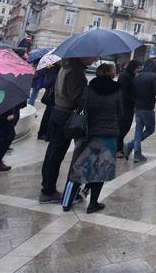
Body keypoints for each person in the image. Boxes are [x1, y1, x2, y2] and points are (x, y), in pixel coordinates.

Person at [61, 63, 120, 213]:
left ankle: (67, 203)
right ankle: (93, 203)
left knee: (79, 167)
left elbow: (81, 106)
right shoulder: (118, 91)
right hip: (108, 134)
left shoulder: (88, 89)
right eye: (113, 70)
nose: (116, 72)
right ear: (109, 73)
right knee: (101, 169)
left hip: (87, 134)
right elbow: (121, 112)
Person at [40, 57, 95, 204]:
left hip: (58, 112)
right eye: (93, 56)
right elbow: (77, 97)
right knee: (56, 153)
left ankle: (47, 187)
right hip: (66, 115)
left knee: (53, 151)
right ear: (84, 56)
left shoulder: (66, 67)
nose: (95, 58)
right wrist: (88, 92)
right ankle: (48, 191)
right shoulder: (75, 72)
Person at [124, 60, 156, 162]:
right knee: (150, 129)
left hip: (137, 106)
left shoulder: (137, 76)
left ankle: (137, 154)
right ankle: (130, 145)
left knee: (138, 129)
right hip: (147, 107)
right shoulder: (153, 77)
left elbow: (132, 91)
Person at [116, 59, 141, 156]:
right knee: (122, 127)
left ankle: (119, 146)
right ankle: (117, 150)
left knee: (125, 127)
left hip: (128, 106)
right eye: (138, 67)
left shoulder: (130, 75)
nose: (139, 70)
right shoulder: (125, 76)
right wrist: (134, 101)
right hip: (124, 106)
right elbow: (124, 93)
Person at [36, 65, 60, 141]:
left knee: (49, 114)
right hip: (51, 96)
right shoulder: (52, 69)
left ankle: (46, 133)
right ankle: (44, 133)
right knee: (48, 115)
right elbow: (47, 83)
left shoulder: (56, 68)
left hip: (54, 96)